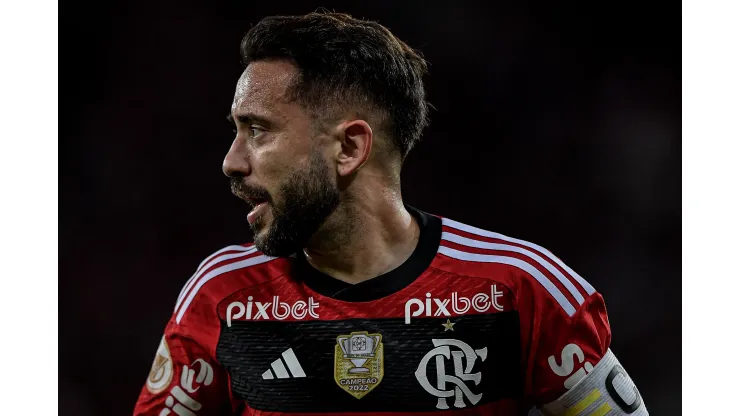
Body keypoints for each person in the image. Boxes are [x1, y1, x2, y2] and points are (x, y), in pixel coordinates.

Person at [133, 11, 648, 416]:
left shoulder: (521, 290)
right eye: (235, 131)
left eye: (259, 130)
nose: (231, 161)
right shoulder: (221, 297)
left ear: (350, 147)